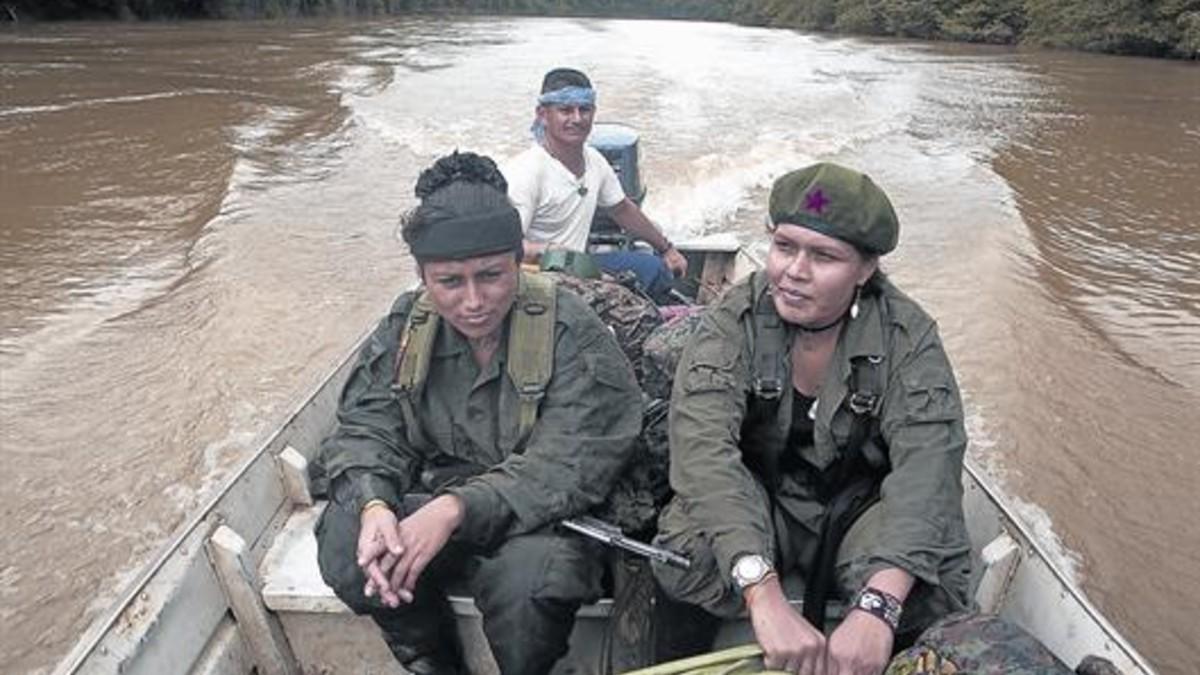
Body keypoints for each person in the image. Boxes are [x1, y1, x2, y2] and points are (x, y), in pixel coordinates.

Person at [310, 151, 643, 674]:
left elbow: (569, 463)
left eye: (491, 275)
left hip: (539, 515)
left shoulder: (570, 330)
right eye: (449, 282)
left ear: (519, 261)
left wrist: (454, 509)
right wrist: (376, 505)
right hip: (439, 492)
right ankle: (433, 660)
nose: (473, 301)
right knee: (346, 544)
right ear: (423, 277)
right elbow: (367, 426)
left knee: (532, 586)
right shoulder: (406, 327)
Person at [651, 163, 973, 674]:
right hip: (760, 502)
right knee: (686, 550)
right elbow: (703, 455)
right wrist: (761, 591)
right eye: (784, 247)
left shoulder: (908, 338)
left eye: (823, 256)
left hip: (861, 511)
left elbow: (928, 472)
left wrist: (878, 608)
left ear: (865, 269)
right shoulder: (731, 324)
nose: (794, 271)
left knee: (931, 583)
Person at [503, 67, 688, 301]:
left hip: (581, 270)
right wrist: (553, 253)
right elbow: (506, 247)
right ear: (542, 114)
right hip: (538, 280)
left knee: (655, 270)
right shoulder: (526, 172)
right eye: (565, 110)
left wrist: (666, 249)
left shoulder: (595, 161)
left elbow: (622, 209)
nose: (577, 119)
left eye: (585, 110)